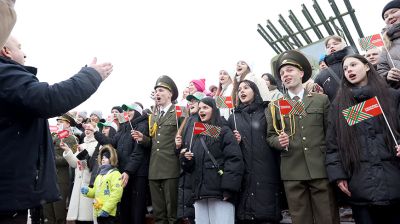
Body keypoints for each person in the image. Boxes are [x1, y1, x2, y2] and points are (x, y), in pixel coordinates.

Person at [0, 25, 113, 224]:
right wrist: (91, 76)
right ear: (6, 51)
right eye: (19, 47)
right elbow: (48, 99)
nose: (24, 53)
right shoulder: (5, 72)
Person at [266, 50, 339, 224]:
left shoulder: (321, 100)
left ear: (301, 73)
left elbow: (330, 133)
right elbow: (270, 136)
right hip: (292, 170)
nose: (285, 75)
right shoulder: (275, 106)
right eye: (282, 73)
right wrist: (278, 141)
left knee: (327, 216)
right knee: (300, 219)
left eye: (290, 70)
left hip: (319, 167)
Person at [326, 54, 400, 224]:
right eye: (345, 68)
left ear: (367, 67)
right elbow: (333, 144)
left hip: (394, 182)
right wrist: (339, 175)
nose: (349, 70)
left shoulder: (391, 96)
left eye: (353, 65)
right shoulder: (339, 105)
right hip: (360, 186)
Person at [182, 97, 244, 224]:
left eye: (205, 107)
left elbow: (234, 160)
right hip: (199, 195)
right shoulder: (197, 133)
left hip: (220, 194)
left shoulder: (224, 130)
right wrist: (185, 159)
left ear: (214, 110)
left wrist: (228, 189)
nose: (201, 111)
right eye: (199, 108)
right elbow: (192, 166)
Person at [229, 80, 282, 223]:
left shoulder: (267, 111)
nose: (242, 91)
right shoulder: (234, 117)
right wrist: (235, 141)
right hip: (244, 173)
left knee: (266, 215)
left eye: (246, 88)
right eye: (239, 89)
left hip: (267, 171)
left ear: (255, 91)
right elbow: (226, 144)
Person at [92, 102, 149, 224]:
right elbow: (111, 143)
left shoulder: (143, 125)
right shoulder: (124, 127)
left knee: (136, 210)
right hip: (124, 173)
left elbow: (138, 153)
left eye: (130, 110)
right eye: (126, 111)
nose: (127, 113)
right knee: (125, 209)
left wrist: (128, 171)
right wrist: (96, 132)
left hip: (137, 175)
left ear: (138, 112)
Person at [133, 75, 180, 224]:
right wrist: (144, 139)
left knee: (173, 214)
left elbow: (185, 136)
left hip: (171, 167)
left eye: (161, 90)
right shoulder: (153, 115)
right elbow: (155, 141)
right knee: (159, 215)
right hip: (154, 169)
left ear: (170, 93)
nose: (157, 94)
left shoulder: (180, 111)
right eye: (156, 91)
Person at [174, 91, 205, 224]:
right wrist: (178, 147)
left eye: (194, 101)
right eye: (190, 101)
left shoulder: (205, 120)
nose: (191, 103)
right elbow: (178, 151)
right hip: (185, 171)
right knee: (189, 215)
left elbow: (212, 141)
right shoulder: (186, 121)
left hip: (198, 172)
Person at [43, 113, 80, 224]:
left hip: (61, 177)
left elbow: (69, 159)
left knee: (59, 211)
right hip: (48, 175)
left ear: (68, 124)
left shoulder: (72, 138)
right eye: (57, 121)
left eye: (61, 121)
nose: (58, 123)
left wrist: (50, 158)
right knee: (47, 211)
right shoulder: (53, 135)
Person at [60, 122, 99, 223]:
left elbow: (94, 164)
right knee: (79, 219)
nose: (87, 130)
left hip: (89, 183)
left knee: (88, 217)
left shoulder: (99, 145)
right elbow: (74, 163)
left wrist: (83, 152)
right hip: (78, 184)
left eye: (90, 129)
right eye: (86, 129)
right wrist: (68, 151)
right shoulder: (81, 144)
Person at [81, 145, 123, 224]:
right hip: (99, 211)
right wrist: (87, 191)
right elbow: (96, 192)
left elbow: (117, 194)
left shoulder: (115, 174)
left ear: (111, 159)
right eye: (102, 158)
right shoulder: (100, 175)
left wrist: (106, 209)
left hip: (110, 213)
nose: (103, 159)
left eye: (106, 157)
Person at [314, 35, 354, 101]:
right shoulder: (320, 76)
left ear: (344, 45)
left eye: (335, 44)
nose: (331, 47)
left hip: (368, 107)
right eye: (328, 46)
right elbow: (320, 101)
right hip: (339, 110)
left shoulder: (359, 62)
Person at [377, 0, 400, 89]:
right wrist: (388, 76)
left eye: (394, 12)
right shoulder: (386, 46)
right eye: (385, 17)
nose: (389, 17)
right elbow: (381, 70)